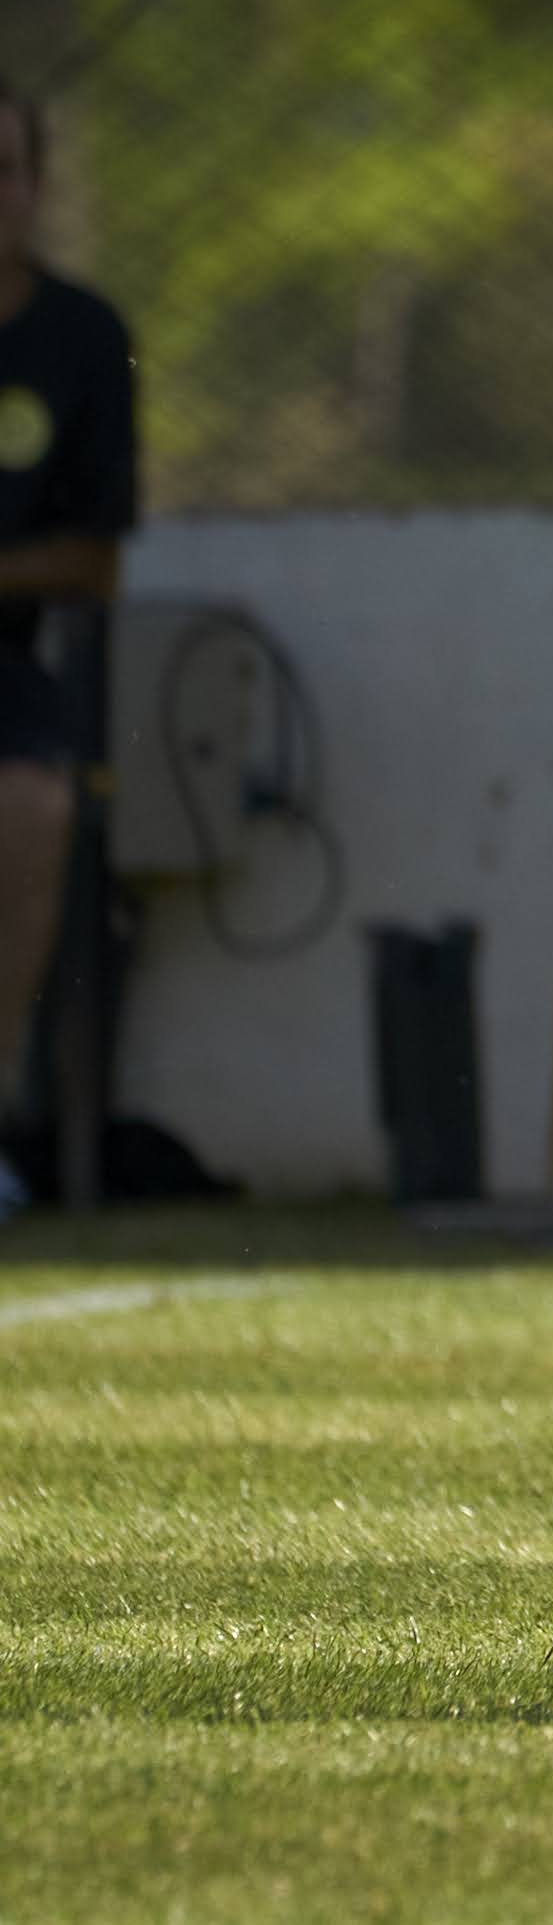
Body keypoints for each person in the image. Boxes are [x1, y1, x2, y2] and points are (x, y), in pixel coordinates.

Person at [0, 77, 138, 1223]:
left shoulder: (82, 339)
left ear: (36, 188)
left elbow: (94, 563)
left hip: (7, 662)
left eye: (4, 169)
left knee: (34, 805)